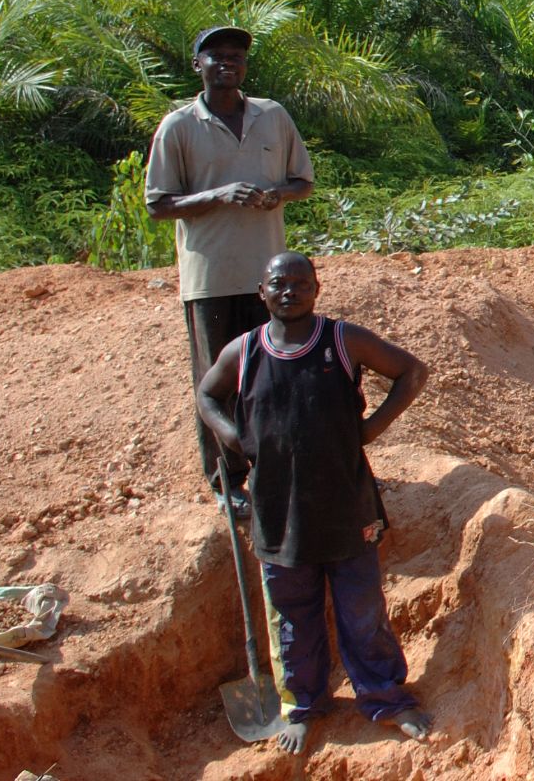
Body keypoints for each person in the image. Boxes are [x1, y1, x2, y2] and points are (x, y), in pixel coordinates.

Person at [196, 252, 431, 755]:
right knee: (291, 613)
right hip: (279, 513)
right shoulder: (245, 351)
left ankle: (385, 698)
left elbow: (411, 372)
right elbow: (207, 395)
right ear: (262, 292)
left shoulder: (343, 341)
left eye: (300, 283)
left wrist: (368, 430)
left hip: (348, 505)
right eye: (278, 283)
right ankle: (303, 706)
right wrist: (236, 438)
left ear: (317, 289)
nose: (290, 291)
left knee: (362, 609)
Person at [146, 25, 314, 515]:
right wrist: (217, 195)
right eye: (216, 56)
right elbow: (158, 204)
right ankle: (227, 480)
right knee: (217, 382)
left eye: (236, 56)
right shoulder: (179, 126)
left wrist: (276, 194)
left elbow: (301, 181)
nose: (227, 63)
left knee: (271, 374)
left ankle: (276, 469)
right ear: (196, 64)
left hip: (270, 280)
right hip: (210, 276)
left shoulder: (273, 116)